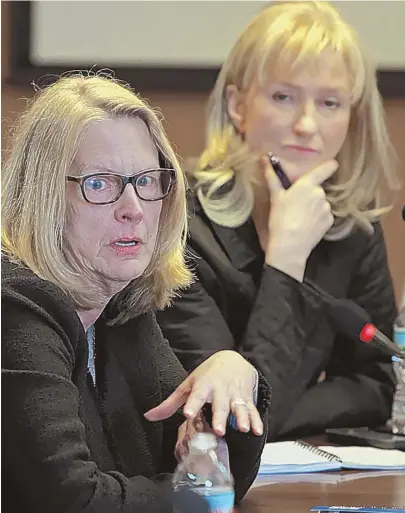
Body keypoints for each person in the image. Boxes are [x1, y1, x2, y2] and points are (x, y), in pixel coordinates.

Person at [1, 73, 271, 513]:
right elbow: (75, 500)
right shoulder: (14, 310)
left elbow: (216, 478)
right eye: (100, 184)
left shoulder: (119, 307)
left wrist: (238, 375)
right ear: (43, 194)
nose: (133, 209)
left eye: (146, 180)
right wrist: (194, 492)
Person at [157, 1, 400, 440]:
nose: (307, 124)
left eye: (330, 102)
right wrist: (286, 259)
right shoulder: (179, 223)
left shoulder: (351, 229)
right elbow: (230, 415)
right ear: (237, 106)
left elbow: (376, 387)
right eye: (283, 97)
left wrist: (279, 413)